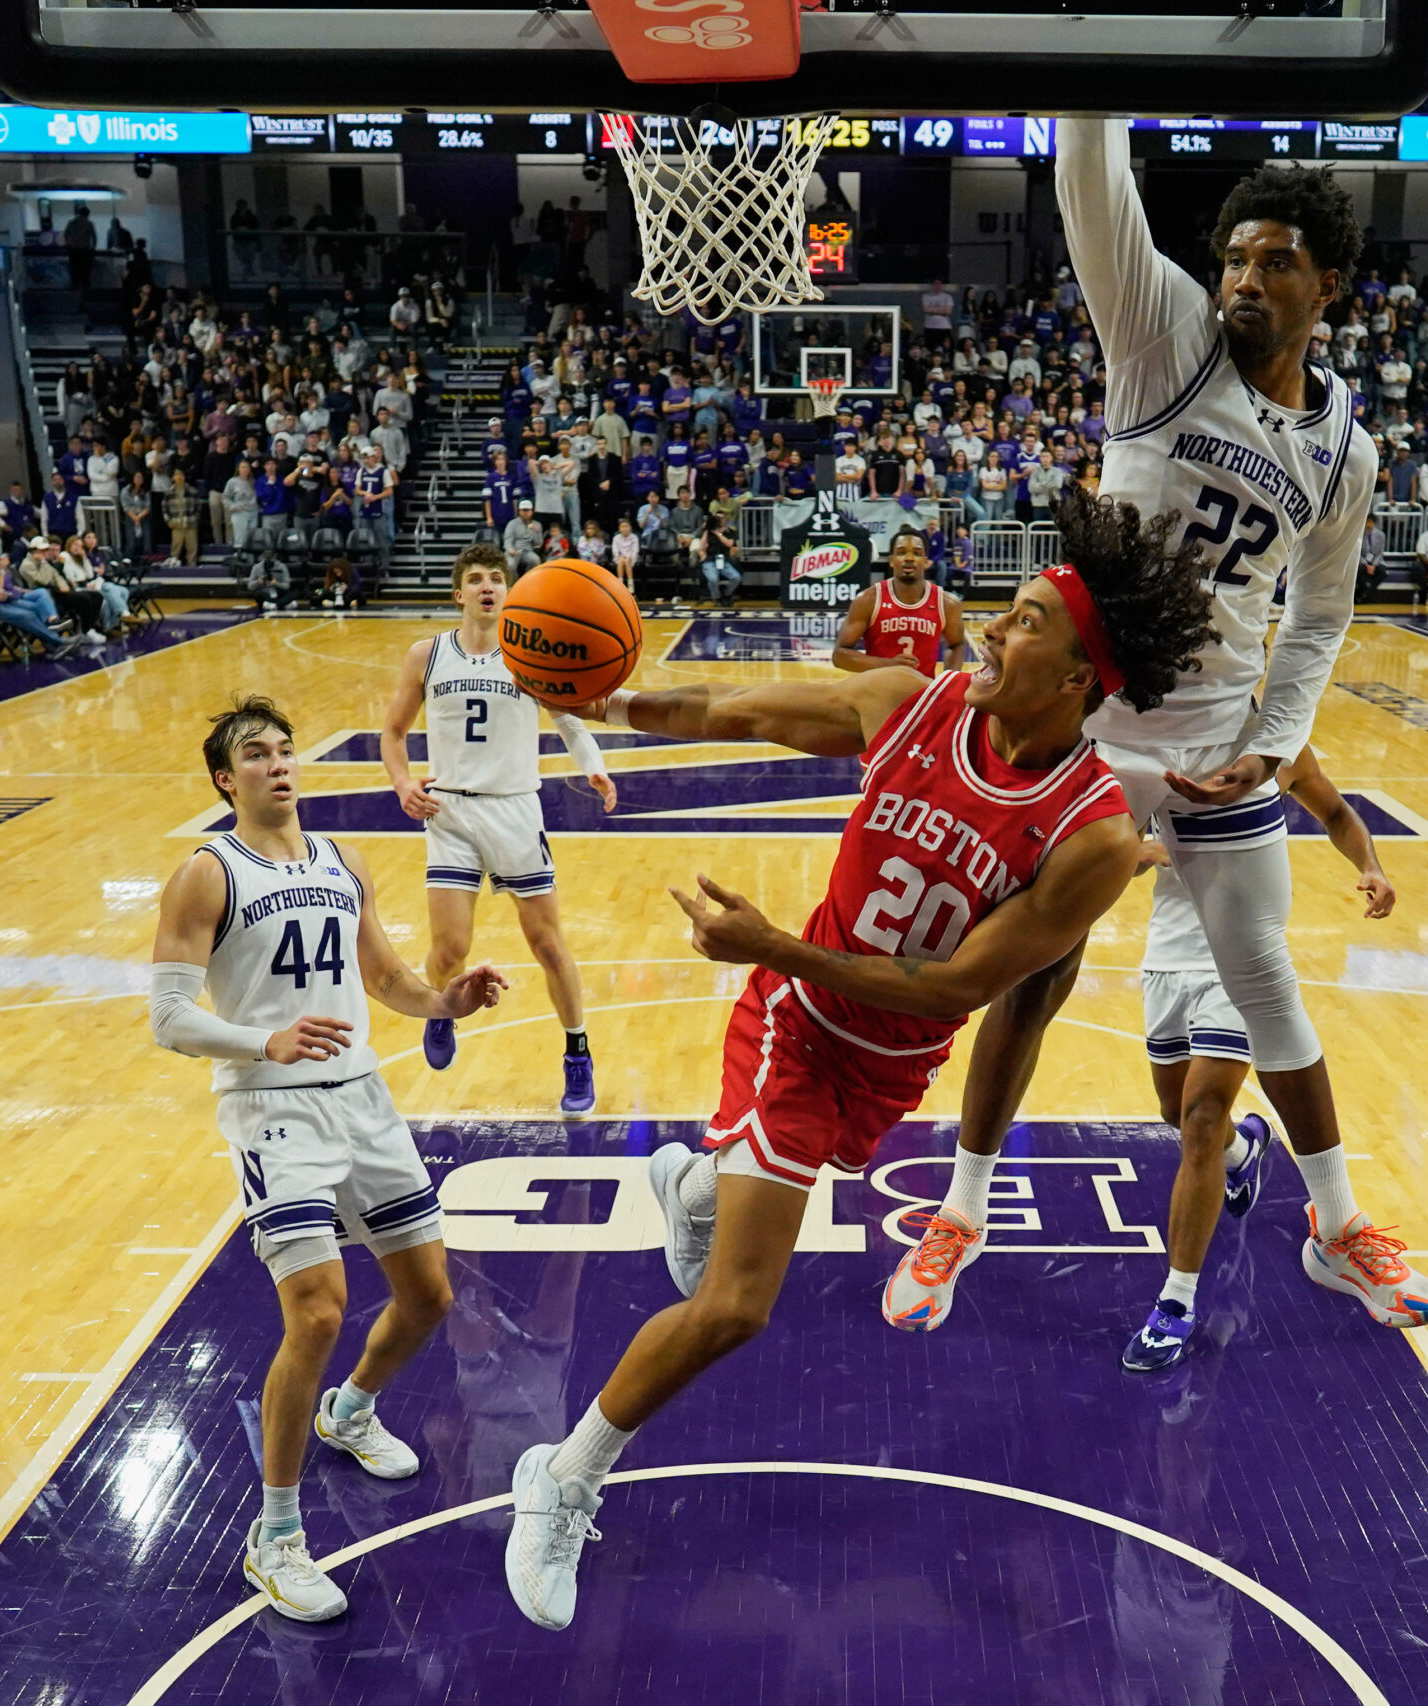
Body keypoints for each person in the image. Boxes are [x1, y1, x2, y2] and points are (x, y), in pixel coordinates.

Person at [496, 482, 1218, 1632]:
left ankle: (688, 1178)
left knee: (765, 1197)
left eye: (1026, 618)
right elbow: (734, 709)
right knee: (736, 1305)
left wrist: (770, 938)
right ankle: (563, 1473)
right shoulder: (907, 702)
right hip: (797, 1020)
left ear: (1082, 675)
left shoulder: (1089, 838)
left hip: (891, 1054)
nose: (993, 624)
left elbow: (956, 988)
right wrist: (603, 695)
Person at [886, 118, 1428, 1341]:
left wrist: (1279, 734)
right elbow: (1090, 178)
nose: (1246, 277)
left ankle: (1339, 1226)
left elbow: (1321, 617)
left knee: (1269, 984)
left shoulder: (1344, 449)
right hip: (1088, 749)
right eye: (1235, 256)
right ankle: (960, 1216)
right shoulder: (1165, 341)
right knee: (1031, 981)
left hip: (1212, 753)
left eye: (1277, 260)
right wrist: (1094, 83)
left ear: (1326, 284)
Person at [150, 695, 507, 1622]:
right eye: (255, 755)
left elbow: (384, 979)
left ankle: (348, 1411)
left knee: (429, 1295)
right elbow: (167, 1019)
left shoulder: (344, 862)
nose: (278, 764)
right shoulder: (205, 873)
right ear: (226, 780)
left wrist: (448, 1001)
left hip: (364, 1101)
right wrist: (260, 1043)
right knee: (316, 1313)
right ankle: (274, 1536)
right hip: (273, 1113)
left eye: (284, 750)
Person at [1123, 746, 1394, 1372]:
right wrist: (1154, 851)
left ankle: (1176, 1302)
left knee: (1198, 1119)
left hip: (1240, 960)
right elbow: (1126, 853)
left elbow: (1336, 813)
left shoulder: (1279, 749)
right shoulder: (1153, 747)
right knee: (1176, 1112)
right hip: (1169, 956)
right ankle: (1245, 1154)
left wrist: (1371, 866)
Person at [380, 544, 616, 1114]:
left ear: (509, 594)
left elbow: (569, 722)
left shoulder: (531, 657)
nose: (488, 587)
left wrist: (596, 768)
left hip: (514, 810)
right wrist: (403, 784)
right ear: (458, 594)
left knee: (548, 944)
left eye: (497, 580)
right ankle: (442, 1013)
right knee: (448, 949)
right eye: (477, 579)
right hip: (450, 814)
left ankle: (576, 1052)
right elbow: (392, 734)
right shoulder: (426, 655)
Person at [832, 526, 965, 674]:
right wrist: (887, 665)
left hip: (923, 694)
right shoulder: (868, 600)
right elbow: (839, 655)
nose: (909, 558)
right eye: (901, 553)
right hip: (878, 693)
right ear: (891, 560)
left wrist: (948, 682)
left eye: (916, 553)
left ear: (926, 562)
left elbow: (956, 645)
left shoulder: (947, 603)